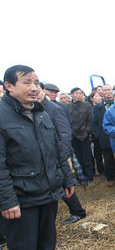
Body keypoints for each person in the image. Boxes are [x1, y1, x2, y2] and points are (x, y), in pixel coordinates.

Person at [1, 65, 80, 250]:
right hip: (20, 197)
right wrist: (6, 201)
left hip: (47, 190)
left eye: (37, 82)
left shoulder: (42, 113)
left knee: (47, 240)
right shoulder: (2, 116)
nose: (34, 88)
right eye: (27, 82)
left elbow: (57, 150)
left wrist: (67, 180)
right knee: (22, 248)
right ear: (9, 86)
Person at [39, 84, 87, 225]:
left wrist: (63, 155)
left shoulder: (54, 109)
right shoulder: (32, 109)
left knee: (61, 182)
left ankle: (77, 211)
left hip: (56, 156)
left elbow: (65, 132)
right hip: (41, 156)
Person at [67, 87, 94, 186]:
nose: (79, 95)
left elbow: (90, 120)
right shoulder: (67, 106)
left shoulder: (86, 106)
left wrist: (87, 131)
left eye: (80, 93)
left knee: (87, 156)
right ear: (71, 94)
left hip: (84, 134)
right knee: (77, 158)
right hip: (73, 136)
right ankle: (80, 178)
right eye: (76, 93)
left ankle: (89, 177)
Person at [91, 85, 115, 187]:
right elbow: (94, 123)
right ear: (102, 92)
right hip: (105, 137)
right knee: (108, 159)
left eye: (109, 90)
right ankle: (110, 177)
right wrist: (99, 134)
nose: (107, 92)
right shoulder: (97, 107)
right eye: (105, 90)